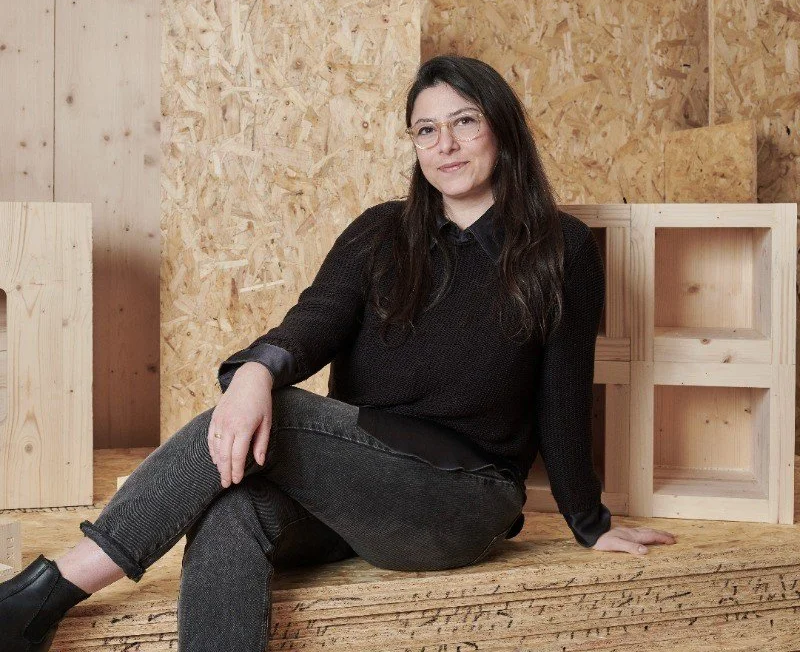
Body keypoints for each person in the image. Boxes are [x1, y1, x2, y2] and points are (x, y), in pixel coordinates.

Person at [0, 55, 676, 651]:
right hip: (356, 489)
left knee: (278, 411)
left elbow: (563, 397)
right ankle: (33, 610)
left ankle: (43, 595)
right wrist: (255, 372)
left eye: (464, 122)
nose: (446, 145)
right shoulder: (382, 233)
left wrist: (590, 523)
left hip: (460, 500)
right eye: (426, 129)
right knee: (233, 509)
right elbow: (313, 322)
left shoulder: (561, 248)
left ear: (501, 127)